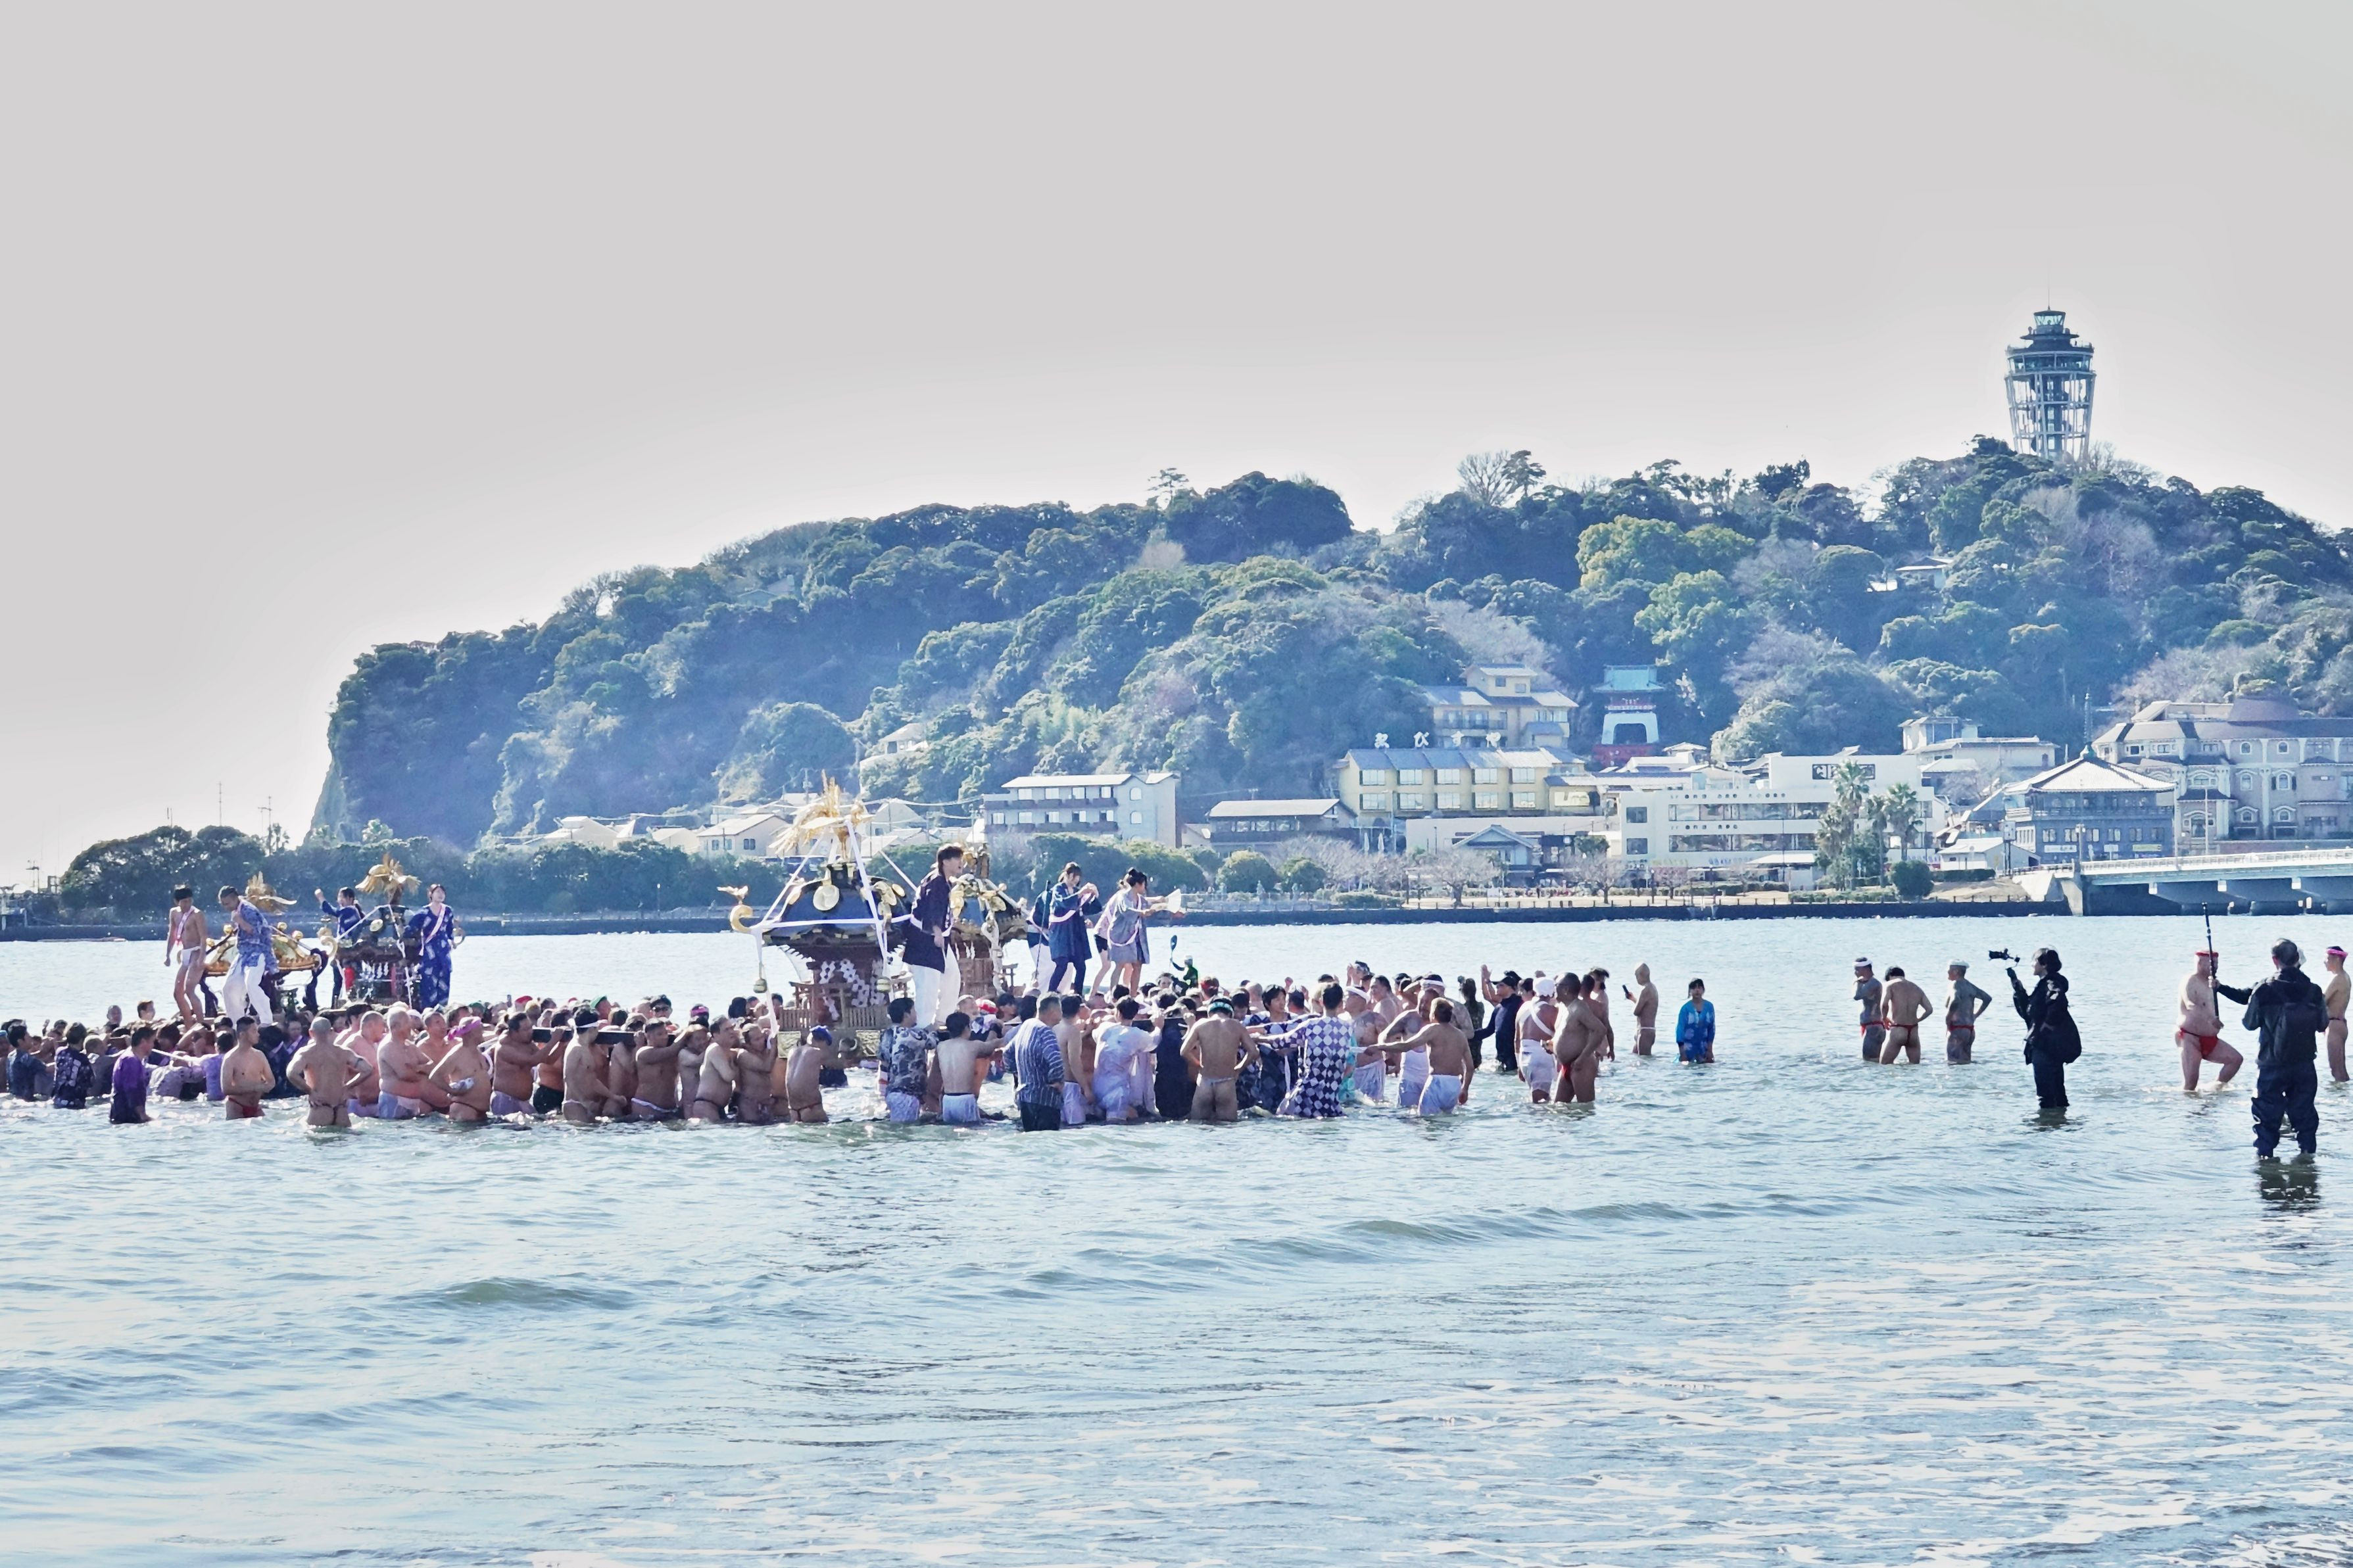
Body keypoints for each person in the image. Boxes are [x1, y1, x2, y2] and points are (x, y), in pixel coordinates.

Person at [2239, 937, 2328, 1160]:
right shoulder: (2314, 990)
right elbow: (2322, 1025)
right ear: (2298, 958)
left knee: (2266, 1117)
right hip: (2304, 1064)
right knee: (2305, 1115)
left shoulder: (2264, 990)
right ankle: (2307, 1160)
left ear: (2274, 960)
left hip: (2271, 1064)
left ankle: (2266, 1163)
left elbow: (2249, 1024)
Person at [2008, 947, 2079, 1112]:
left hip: (2045, 1046)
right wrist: (2018, 989)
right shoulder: (2044, 985)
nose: (2032, 964)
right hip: (2049, 1046)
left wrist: (2047, 1028)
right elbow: (2029, 1014)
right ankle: (2059, 1122)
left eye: (2034, 961)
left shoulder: (2051, 984)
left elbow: (2058, 1002)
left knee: (2046, 1094)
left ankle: (2046, 1124)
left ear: (2044, 964)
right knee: (2058, 1092)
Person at [1273, 982, 1357, 1118]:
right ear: (1341, 1004)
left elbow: (1282, 1041)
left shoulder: (1311, 1025)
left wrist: (1259, 1038)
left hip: (1309, 1092)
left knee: (1282, 1114)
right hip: (1331, 1094)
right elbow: (1351, 1064)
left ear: (1321, 1001)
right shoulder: (1347, 1029)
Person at [901, 845, 963, 1030]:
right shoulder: (936, 883)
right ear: (945, 862)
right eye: (957, 859)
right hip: (925, 940)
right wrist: (937, 932)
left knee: (952, 976)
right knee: (928, 985)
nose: (961, 863)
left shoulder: (941, 881)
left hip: (938, 938)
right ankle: (924, 1026)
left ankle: (943, 1019)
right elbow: (932, 909)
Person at [2175, 951, 2245, 1091]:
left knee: (2236, 1060)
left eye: (2217, 964)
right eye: (2212, 964)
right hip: (2190, 1038)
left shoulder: (2212, 983)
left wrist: (2219, 987)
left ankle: (2214, 1089)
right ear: (2199, 963)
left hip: (2210, 1039)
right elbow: (2191, 1005)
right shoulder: (2190, 980)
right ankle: (2186, 1104)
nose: (2215, 967)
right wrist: (2211, 1019)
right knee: (2191, 1085)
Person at [1390, 998, 1472, 1114]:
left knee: (1425, 1118)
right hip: (1454, 1085)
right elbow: (1470, 1067)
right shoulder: (1460, 1035)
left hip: (1437, 1082)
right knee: (1446, 1120)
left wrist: (1380, 1047)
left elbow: (1407, 1046)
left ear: (1433, 1014)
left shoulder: (1433, 1030)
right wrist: (1465, 1089)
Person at [1182, 998, 1256, 1122]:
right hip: (1226, 1082)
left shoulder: (1201, 1024)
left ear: (1210, 1012)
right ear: (1230, 1013)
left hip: (1204, 1082)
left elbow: (1184, 1051)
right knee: (1228, 1126)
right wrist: (1238, 1069)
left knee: (1198, 1125)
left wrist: (1198, 1065)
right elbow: (1254, 1052)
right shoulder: (1237, 1026)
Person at [289, 1017, 368, 1128]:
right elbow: (367, 1069)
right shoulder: (344, 1052)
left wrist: (310, 1092)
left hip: (320, 1107)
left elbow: (291, 1073)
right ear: (331, 1031)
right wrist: (347, 1087)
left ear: (311, 1033)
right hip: (341, 1108)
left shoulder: (306, 1053)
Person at [218, 884, 274, 1026]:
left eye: (227, 903)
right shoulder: (238, 909)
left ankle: (267, 1020)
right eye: (223, 904)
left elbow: (255, 931)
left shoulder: (248, 910)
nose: (225, 907)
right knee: (229, 987)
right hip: (244, 954)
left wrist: (240, 921)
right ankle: (237, 1022)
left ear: (235, 898)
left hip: (258, 952)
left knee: (251, 984)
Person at [1010, 994, 1066, 1131]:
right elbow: (1056, 1060)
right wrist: (1057, 1081)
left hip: (1025, 1097)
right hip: (1045, 1099)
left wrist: (1017, 1075)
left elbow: (1007, 1053)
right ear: (1053, 1011)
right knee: (1048, 1141)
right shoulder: (1045, 1031)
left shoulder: (1026, 1026)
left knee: (1031, 1140)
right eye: (1060, 1010)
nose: (1062, 1014)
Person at [877, 997, 933, 1124]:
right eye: (914, 1010)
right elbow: (933, 1041)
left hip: (892, 1092)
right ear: (906, 1015)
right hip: (906, 1095)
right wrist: (934, 1028)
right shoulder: (909, 1035)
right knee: (905, 1131)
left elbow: (883, 1060)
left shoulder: (886, 1034)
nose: (916, 1014)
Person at [1093, 997, 1150, 1123]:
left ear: (1118, 1012)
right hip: (1117, 1091)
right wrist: (1159, 1027)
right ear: (1135, 1014)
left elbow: (1094, 1035)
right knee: (1116, 1126)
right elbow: (1154, 1042)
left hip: (1097, 1088)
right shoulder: (1136, 1035)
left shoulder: (1104, 1028)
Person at [1043, 862, 1096, 993]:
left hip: (1076, 933)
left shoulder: (1078, 891)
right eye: (1074, 876)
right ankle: (1050, 993)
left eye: (1078, 877)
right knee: (1062, 964)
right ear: (1067, 875)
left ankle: (1078, 995)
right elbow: (1064, 903)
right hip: (1062, 933)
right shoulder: (1058, 889)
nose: (1076, 879)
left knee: (1081, 966)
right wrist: (1081, 893)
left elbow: (1090, 909)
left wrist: (1094, 896)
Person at [934, 1012, 995, 1126]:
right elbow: (991, 1046)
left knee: (950, 1132)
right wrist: (996, 1029)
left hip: (947, 1100)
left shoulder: (941, 1047)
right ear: (967, 1028)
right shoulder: (973, 1046)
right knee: (971, 1132)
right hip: (965, 1099)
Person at [405, 885, 458, 1010]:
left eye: (442, 892)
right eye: (437, 892)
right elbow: (411, 929)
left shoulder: (448, 911)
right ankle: (428, 1010)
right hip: (429, 950)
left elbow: (450, 929)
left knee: (444, 979)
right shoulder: (423, 913)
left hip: (444, 950)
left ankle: (443, 1009)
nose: (441, 895)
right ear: (431, 894)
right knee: (429, 980)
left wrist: (452, 941)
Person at [432, 1018, 494, 1122]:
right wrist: (452, 1091)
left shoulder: (477, 1051)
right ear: (470, 1033)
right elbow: (435, 1076)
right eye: (479, 1030)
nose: (482, 1032)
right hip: (465, 1110)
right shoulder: (457, 1054)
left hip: (481, 1113)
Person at [316, 886, 366, 1004]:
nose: (339, 900)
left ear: (350, 899)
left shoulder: (350, 910)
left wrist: (321, 898)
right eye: (339, 897)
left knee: (346, 979)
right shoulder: (351, 912)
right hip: (344, 950)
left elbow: (334, 912)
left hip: (348, 951)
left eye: (342, 897)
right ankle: (336, 1003)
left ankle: (347, 1002)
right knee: (340, 980)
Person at [166, 886, 208, 1020]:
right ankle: (189, 1023)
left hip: (196, 952)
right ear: (176, 902)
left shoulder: (197, 914)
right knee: (178, 993)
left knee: (189, 990)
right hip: (185, 953)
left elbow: (203, 937)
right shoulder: (174, 913)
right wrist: (167, 955)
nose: (188, 904)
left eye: (190, 901)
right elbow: (172, 934)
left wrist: (201, 958)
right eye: (184, 902)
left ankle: (201, 1023)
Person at [220, 1016, 276, 1119]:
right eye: (254, 1031)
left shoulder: (259, 1055)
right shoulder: (230, 1058)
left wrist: (266, 1088)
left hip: (256, 1107)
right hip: (236, 1106)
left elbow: (271, 1081)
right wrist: (254, 1088)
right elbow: (226, 1089)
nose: (258, 1034)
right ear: (242, 1035)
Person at [1878, 966, 1931, 1064]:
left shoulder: (1889, 985)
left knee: (1884, 1065)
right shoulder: (1916, 988)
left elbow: (1884, 1004)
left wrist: (1884, 1018)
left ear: (1890, 976)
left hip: (1898, 1029)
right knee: (1914, 1067)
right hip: (1913, 1032)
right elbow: (1929, 1010)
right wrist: (1918, 1019)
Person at [1942, 961, 1991, 1064]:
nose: (1947, 971)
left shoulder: (1955, 984)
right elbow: (1987, 998)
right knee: (1966, 1062)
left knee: (1952, 1062)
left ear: (1956, 971)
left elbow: (1956, 1000)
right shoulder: (1970, 986)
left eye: (1949, 969)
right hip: (1969, 1030)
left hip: (1957, 1029)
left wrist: (1948, 1017)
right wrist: (1975, 1016)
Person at [1479, 966, 1523, 1076]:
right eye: (1497, 985)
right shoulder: (1499, 1008)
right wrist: (1467, 1035)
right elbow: (1488, 1031)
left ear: (1512, 988)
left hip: (1515, 1056)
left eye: (1501, 985)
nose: (1497, 988)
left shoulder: (1520, 1004)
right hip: (1501, 1056)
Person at [109, 1036, 153, 1124]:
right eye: (152, 1042)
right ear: (143, 1042)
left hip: (119, 1111)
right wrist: (141, 1114)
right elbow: (131, 1089)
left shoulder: (130, 1058)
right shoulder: (131, 1060)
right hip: (127, 1114)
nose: (153, 1045)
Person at [50, 1026, 94, 1110]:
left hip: (57, 1099)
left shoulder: (60, 1052)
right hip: (75, 1102)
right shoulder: (82, 1059)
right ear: (82, 1040)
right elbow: (90, 1081)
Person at [2325, 945, 2350, 1083]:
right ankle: (2345, 1094)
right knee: (2342, 1070)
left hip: (2334, 1025)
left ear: (2336, 959)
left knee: (2336, 1070)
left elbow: (2322, 1001)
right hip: (2341, 1024)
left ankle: (2340, 1096)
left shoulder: (2337, 978)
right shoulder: (2345, 977)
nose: (2325, 962)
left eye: (2327, 958)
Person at [1676, 980, 1716, 1064]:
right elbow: (1680, 1030)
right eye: (1694, 988)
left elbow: (1711, 1029)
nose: (1697, 990)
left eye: (1699, 988)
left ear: (1703, 990)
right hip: (1688, 1050)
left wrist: (1710, 1050)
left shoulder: (1709, 1007)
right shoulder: (1685, 1009)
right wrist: (1682, 1053)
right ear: (1690, 991)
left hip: (1704, 1049)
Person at [1624, 964, 1659, 1056]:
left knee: (1644, 1060)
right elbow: (1644, 1007)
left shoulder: (1645, 990)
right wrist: (1633, 999)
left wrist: (1634, 1006)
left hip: (1645, 1031)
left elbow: (1636, 1012)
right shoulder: (1652, 987)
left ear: (1641, 975)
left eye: (1636, 975)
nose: (1636, 978)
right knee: (1635, 1056)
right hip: (1646, 1030)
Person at [1853, 959, 1883, 1062]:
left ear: (1866, 969)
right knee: (1870, 1060)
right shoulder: (1868, 983)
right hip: (1872, 1026)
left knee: (1870, 1059)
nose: (1855, 972)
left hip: (1874, 1026)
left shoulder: (1873, 984)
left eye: (1857, 969)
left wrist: (1858, 983)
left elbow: (1857, 996)